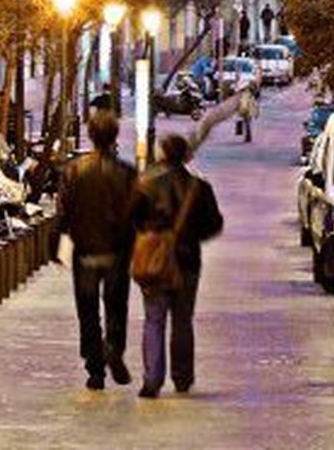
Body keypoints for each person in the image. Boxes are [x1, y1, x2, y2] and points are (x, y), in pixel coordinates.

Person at [129, 134, 224, 398]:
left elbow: (132, 218)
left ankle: (152, 380)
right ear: (185, 156)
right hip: (187, 260)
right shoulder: (199, 187)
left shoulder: (146, 185)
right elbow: (214, 223)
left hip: (155, 261)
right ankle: (182, 377)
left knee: (154, 318)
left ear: (162, 154)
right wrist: (190, 236)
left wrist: (149, 235)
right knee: (183, 319)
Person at [52, 110, 137, 390]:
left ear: (90, 135)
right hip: (118, 251)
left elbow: (63, 212)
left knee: (87, 310)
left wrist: (57, 243)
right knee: (116, 306)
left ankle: (95, 367)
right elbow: (137, 214)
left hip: (85, 251)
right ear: (114, 136)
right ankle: (113, 348)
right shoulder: (127, 173)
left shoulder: (73, 170)